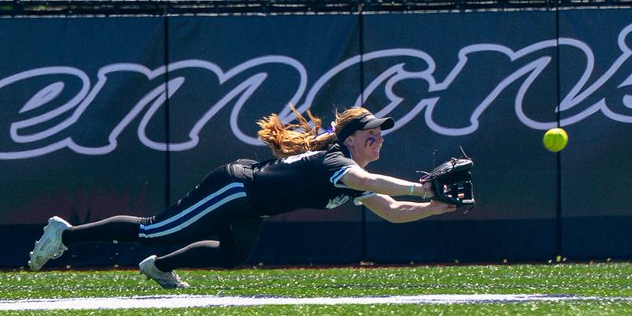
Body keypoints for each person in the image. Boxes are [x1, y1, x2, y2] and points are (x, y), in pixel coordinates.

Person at [26, 106, 456, 288]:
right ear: (350, 138)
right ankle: (65, 236)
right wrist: (422, 187)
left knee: (232, 254)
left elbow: (394, 211)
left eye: (381, 132)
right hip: (235, 189)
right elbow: (377, 186)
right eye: (372, 132)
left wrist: (433, 206)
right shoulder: (337, 164)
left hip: (252, 201)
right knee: (156, 229)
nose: (379, 137)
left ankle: (159, 267)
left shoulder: (351, 172)